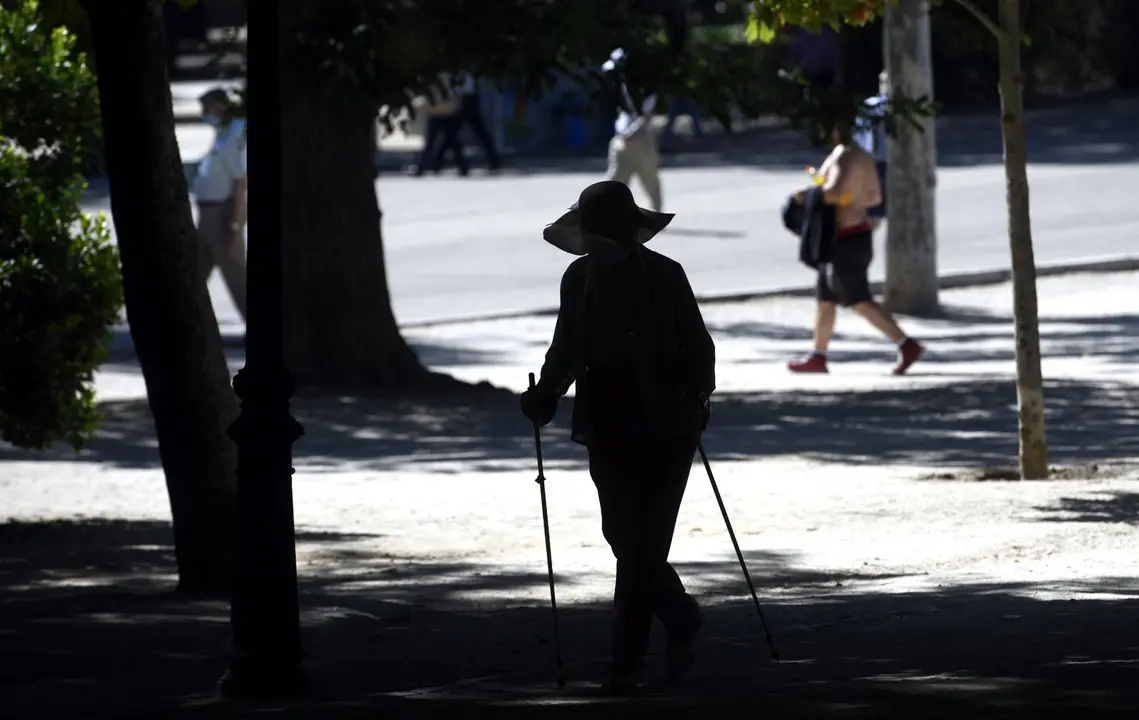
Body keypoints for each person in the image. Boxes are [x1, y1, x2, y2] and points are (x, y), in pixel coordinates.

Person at [520, 180, 715, 694]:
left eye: (607, 232)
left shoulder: (666, 275)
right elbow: (564, 349)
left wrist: (696, 400)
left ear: (629, 232)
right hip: (605, 424)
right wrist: (546, 395)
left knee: (640, 549)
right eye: (594, 233)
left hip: (666, 426)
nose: (598, 242)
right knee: (622, 537)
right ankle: (681, 617)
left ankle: (624, 663)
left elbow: (698, 346)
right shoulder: (578, 279)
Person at [786, 116, 924, 375]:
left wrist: (808, 195)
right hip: (854, 234)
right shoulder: (864, 157)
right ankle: (818, 355)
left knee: (856, 298)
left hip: (846, 240)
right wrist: (853, 202)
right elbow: (875, 196)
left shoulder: (843, 156)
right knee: (825, 298)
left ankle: (906, 344)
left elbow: (833, 193)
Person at [192, 87, 247, 322]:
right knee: (195, 270)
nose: (204, 113)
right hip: (207, 214)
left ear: (220, 107)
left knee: (236, 274)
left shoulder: (234, 135)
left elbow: (241, 183)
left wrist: (234, 225)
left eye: (207, 108)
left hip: (221, 215)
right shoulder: (223, 132)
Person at [602, 49, 663, 212]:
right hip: (621, 141)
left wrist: (631, 133)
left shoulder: (644, 90)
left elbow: (646, 117)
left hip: (640, 141)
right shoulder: (619, 89)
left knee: (650, 182)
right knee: (615, 181)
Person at [853, 71, 890, 223]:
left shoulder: (868, 105)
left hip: (869, 159)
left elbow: (857, 134)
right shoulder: (897, 107)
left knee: (871, 208)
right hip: (888, 160)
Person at [450, 74, 503, 172]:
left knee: (452, 132)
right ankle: (493, 158)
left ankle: (458, 163)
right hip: (468, 96)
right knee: (477, 130)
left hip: (465, 97)